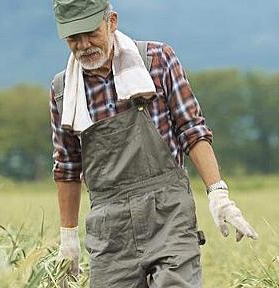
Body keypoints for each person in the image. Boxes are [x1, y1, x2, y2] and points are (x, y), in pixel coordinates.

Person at [49, 0, 259, 287]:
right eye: (74, 38)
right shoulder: (63, 92)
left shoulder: (157, 61)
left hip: (168, 214)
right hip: (110, 230)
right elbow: (68, 168)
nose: (84, 45)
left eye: (91, 33)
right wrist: (68, 238)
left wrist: (218, 193)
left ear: (111, 22)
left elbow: (192, 129)